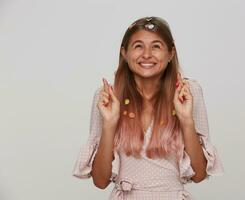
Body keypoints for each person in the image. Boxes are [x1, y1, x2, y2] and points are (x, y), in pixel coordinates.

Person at [72, 16, 224, 200]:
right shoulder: (107, 97)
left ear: (170, 53)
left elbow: (199, 174)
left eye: (156, 46)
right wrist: (110, 124)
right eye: (138, 46)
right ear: (124, 53)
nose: (146, 54)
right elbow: (100, 181)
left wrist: (186, 121)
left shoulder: (188, 92)